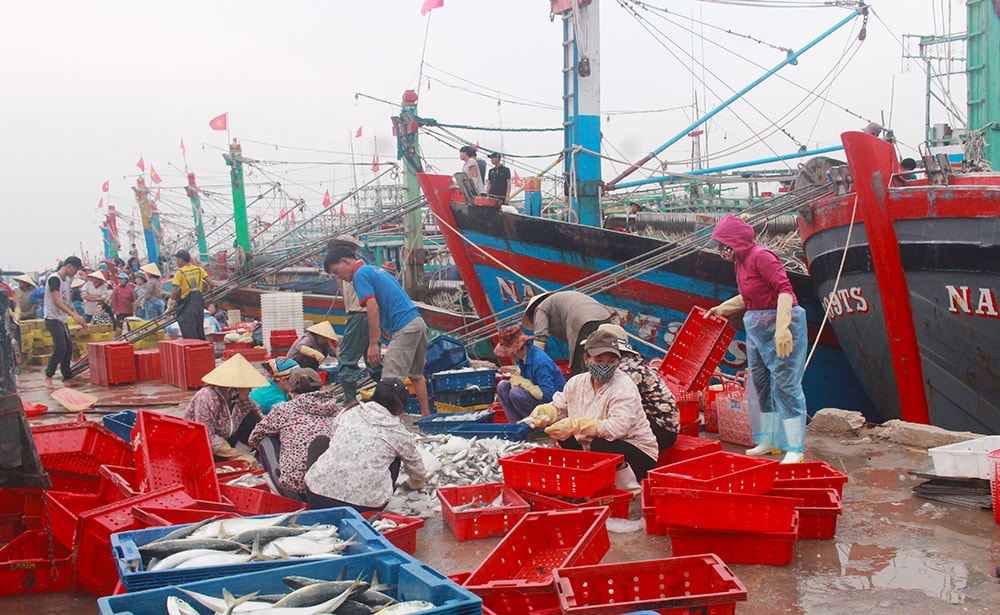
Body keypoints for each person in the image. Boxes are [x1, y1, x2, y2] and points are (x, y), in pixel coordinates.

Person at [706, 213, 808, 464]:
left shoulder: (761, 257)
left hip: (780, 324)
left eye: (723, 245)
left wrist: (783, 328)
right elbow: (749, 295)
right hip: (756, 327)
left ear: (735, 242)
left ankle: (795, 447)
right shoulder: (739, 262)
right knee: (761, 384)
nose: (721, 251)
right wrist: (722, 308)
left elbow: (784, 291)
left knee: (786, 385)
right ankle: (769, 439)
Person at [529, 329, 658, 491]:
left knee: (601, 444)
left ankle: (627, 488)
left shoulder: (624, 386)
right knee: (564, 435)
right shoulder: (576, 382)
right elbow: (560, 405)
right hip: (590, 446)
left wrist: (577, 425)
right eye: (598, 360)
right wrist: (548, 412)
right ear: (586, 359)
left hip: (637, 452)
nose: (605, 366)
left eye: (611, 361)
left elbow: (617, 428)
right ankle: (587, 476)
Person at [325, 244, 432, 416]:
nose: (340, 278)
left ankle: (389, 425)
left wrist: (373, 344)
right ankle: (427, 417)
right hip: (418, 323)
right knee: (416, 375)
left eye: (337, 272)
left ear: (345, 261)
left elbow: (372, 307)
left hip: (404, 327)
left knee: (389, 382)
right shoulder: (374, 270)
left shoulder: (359, 275)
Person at [303, 378, 425, 512]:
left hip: (317, 496)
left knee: (321, 441)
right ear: (400, 406)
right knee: (396, 458)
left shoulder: (348, 412)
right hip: (364, 507)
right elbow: (415, 464)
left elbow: (334, 440)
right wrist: (417, 482)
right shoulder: (398, 431)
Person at [249, 368, 343, 499]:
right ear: (322, 389)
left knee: (266, 439)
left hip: (297, 488)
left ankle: (281, 490)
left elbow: (254, 437)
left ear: (291, 393)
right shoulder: (340, 411)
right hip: (336, 487)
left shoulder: (284, 409)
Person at [592, 324, 679, 450]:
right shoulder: (623, 363)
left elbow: (613, 405)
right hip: (661, 426)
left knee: (599, 441)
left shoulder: (623, 369)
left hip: (662, 431)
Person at [182, 354, 267, 465]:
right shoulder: (206, 398)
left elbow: (261, 418)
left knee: (253, 418)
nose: (250, 390)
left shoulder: (241, 400)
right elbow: (207, 436)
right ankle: (233, 460)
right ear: (232, 388)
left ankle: (237, 460)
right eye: (247, 386)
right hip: (201, 447)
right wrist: (237, 455)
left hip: (226, 443)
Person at [326, 234, 381, 405]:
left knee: (346, 359)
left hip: (359, 315)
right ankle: (386, 394)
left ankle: (350, 400)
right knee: (373, 361)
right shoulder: (356, 269)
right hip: (361, 315)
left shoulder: (354, 271)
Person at [522, 290, 612, 376]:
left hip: (583, 321)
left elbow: (540, 336)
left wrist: (533, 362)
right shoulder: (558, 302)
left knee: (579, 367)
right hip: (604, 317)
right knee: (604, 359)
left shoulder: (540, 308)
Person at [493, 325, 565, 427]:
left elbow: (548, 396)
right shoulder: (523, 358)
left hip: (552, 406)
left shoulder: (540, 362)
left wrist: (527, 385)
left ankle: (539, 428)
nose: (510, 356)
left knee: (516, 393)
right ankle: (516, 426)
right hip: (536, 398)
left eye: (510, 353)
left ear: (520, 348)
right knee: (503, 386)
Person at [43, 256, 88, 388]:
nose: (76, 272)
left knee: (68, 348)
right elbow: (57, 301)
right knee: (60, 348)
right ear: (69, 266)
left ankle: (67, 378)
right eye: (75, 269)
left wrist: (78, 316)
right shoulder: (54, 279)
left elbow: (68, 302)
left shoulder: (66, 282)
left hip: (62, 319)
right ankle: (48, 376)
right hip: (52, 319)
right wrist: (73, 315)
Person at [168, 249, 212, 340]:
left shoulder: (180, 273)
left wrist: (170, 306)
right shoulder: (200, 269)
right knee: (199, 329)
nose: (176, 261)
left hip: (186, 307)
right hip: (198, 304)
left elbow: (174, 292)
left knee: (189, 332)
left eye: (176, 259)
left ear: (181, 260)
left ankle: (193, 350)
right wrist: (207, 294)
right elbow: (211, 283)